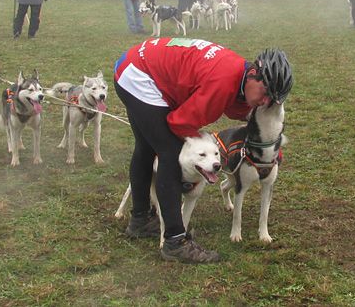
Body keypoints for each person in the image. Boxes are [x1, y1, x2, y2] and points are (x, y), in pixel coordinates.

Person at [114, 38, 293, 263]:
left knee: (147, 145)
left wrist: (269, 145)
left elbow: (238, 108)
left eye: (271, 100)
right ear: (254, 73)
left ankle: (140, 219)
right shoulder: (223, 82)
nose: (265, 102)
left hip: (133, 64)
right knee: (170, 151)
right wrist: (204, 147)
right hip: (139, 76)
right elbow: (178, 123)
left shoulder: (240, 75)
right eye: (265, 93)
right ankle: (175, 241)